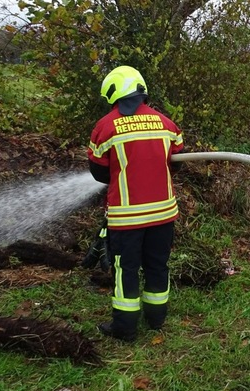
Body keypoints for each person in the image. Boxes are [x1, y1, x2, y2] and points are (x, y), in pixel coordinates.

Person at [87, 65, 184, 342]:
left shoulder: (105, 127)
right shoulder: (166, 124)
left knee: (126, 269)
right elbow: (176, 162)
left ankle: (125, 328)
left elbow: (99, 172)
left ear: (115, 93)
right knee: (158, 265)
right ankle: (156, 319)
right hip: (164, 215)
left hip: (127, 218)